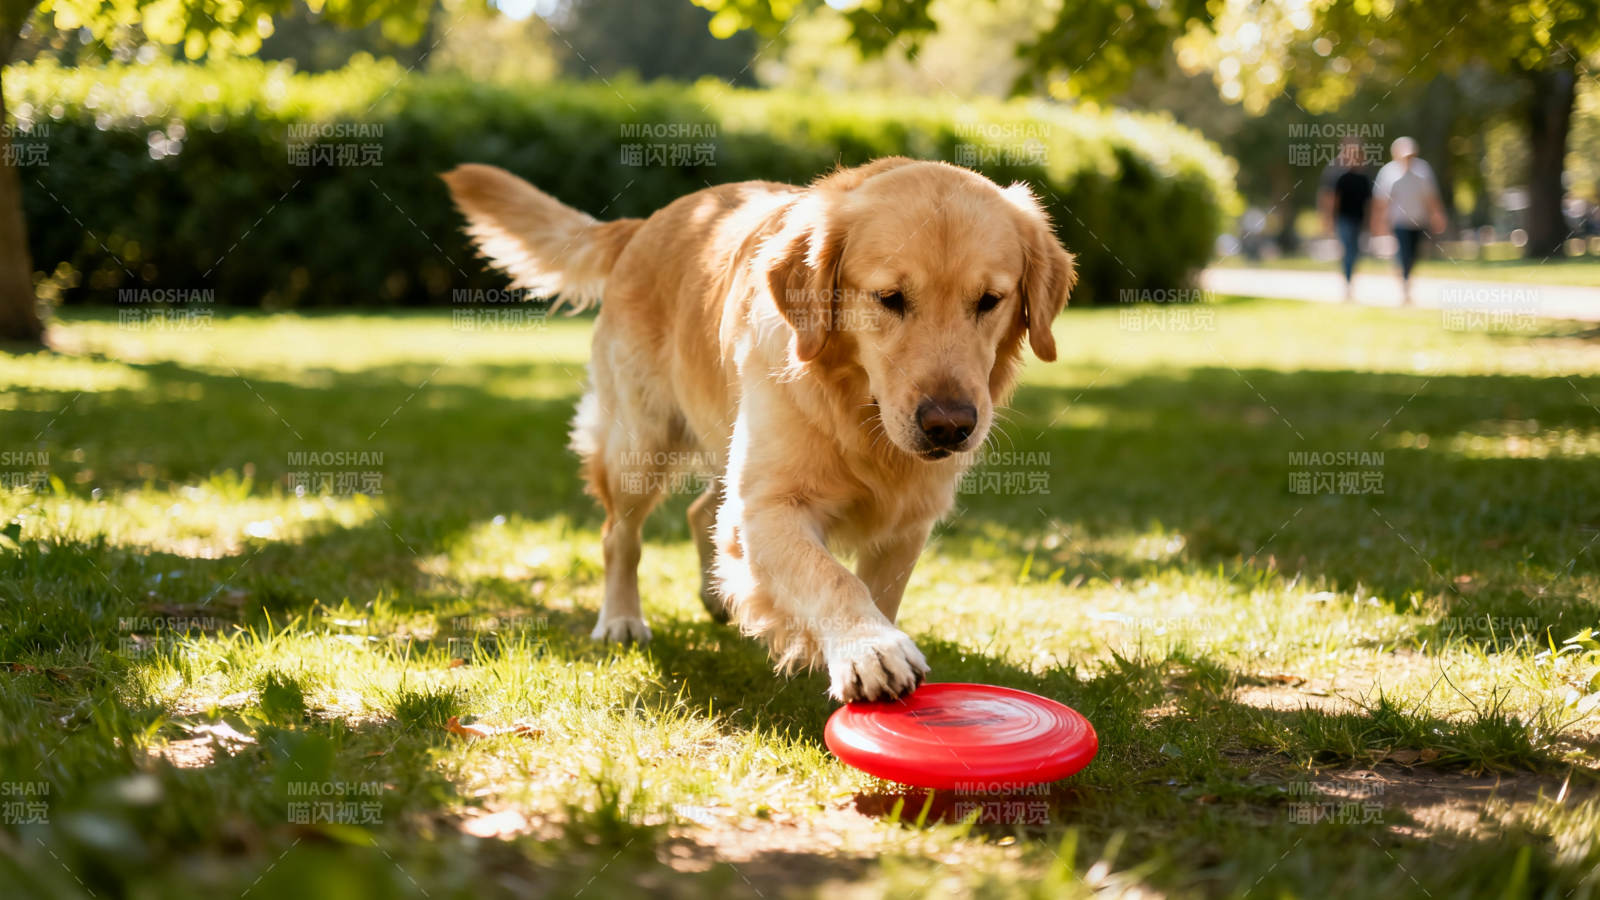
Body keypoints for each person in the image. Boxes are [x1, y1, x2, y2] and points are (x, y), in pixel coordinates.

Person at [1371, 136, 1448, 304]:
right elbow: (1381, 202)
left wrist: (1437, 215)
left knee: (1414, 254)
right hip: (1398, 222)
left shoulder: (1423, 170)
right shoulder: (1388, 173)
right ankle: (1405, 285)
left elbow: (1431, 197)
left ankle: (1406, 277)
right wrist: (1378, 223)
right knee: (1404, 253)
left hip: (1419, 220)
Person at [1318, 137, 1372, 302]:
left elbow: (1370, 202)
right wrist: (1328, 220)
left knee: (1355, 252)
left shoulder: (1364, 177)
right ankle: (1348, 283)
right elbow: (1330, 199)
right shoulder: (1337, 175)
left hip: (1359, 220)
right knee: (1348, 250)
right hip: (1344, 219)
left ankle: (1350, 279)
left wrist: (1371, 222)